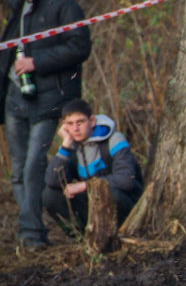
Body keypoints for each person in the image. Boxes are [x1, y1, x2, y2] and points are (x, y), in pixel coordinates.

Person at [0, 0, 91, 249]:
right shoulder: (17, 8)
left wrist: (36, 62)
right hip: (16, 98)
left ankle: (31, 234)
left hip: (50, 99)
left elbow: (79, 47)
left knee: (33, 166)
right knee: (17, 170)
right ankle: (32, 231)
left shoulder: (63, 5)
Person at [42, 98, 143, 231]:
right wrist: (65, 145)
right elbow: (52, 182)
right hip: (93, 202)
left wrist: (84, 185)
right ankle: (84, 237)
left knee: (111, 194)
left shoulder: (114, 139)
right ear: (64, 126)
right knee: (50, 196)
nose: (75, 128)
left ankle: (118, 235)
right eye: (70, 124)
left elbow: (126, 180)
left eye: (80, 122)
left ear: (92, 121)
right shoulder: (71, 146)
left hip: (124, 202)